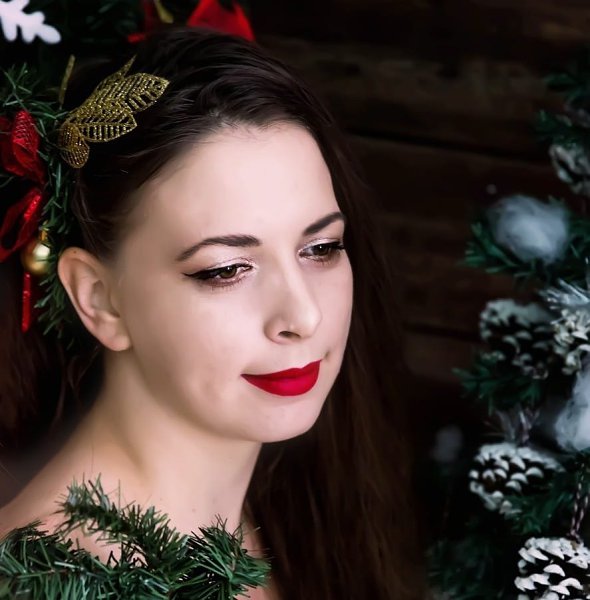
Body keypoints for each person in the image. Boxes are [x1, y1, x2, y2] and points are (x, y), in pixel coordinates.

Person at [0, 27, 425, 599]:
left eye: (321, 248)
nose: (302, 316)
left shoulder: (300, 509)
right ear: (99, 298)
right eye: (225, 270)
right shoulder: (53, 582)